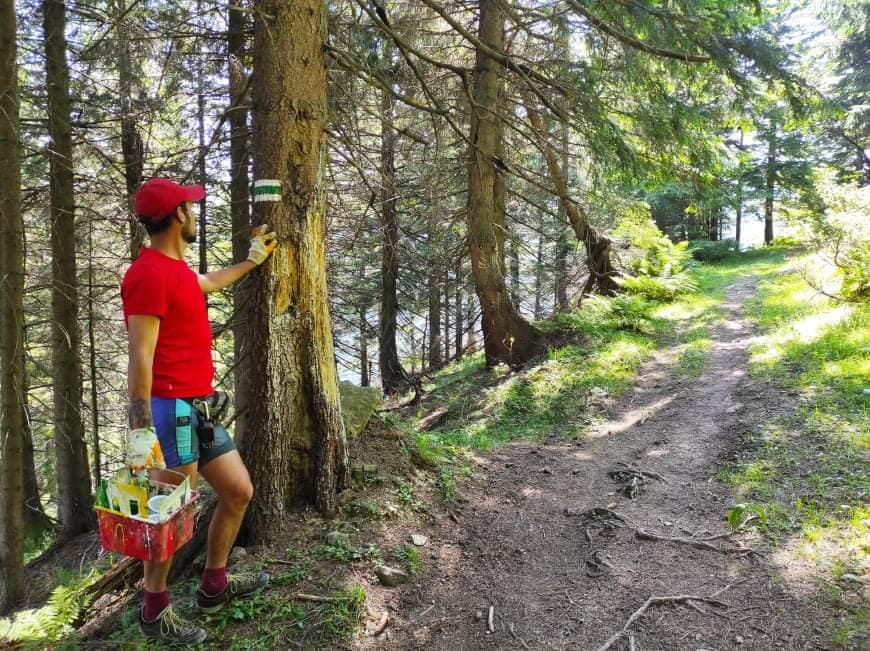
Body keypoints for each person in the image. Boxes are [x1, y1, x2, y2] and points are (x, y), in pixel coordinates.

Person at [121, 177, 277, 645]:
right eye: (190, 207)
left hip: (197, 409)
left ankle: (214, 586)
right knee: (171, 515)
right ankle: (155, 611)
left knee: (238, 491)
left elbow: (206, 283)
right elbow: (140, 355)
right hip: (171, 413)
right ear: (177, 217)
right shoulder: (147, 274)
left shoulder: (177, 270)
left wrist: (252, 260)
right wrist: (140, 431)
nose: (195, 213)